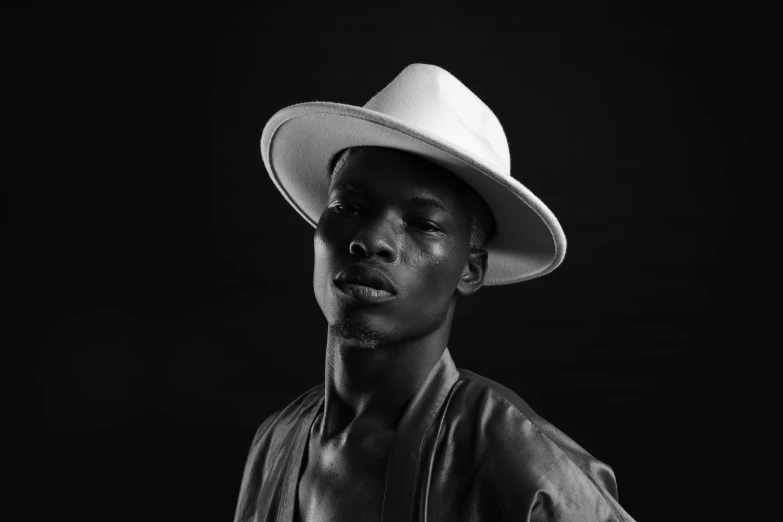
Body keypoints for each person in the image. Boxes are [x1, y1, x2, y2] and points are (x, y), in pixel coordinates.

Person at [233, 64, 636, 522]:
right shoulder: (276, 443)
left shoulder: (522, 463)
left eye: (422, 223)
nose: (372, 239)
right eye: (348, 206)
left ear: (471, 269)